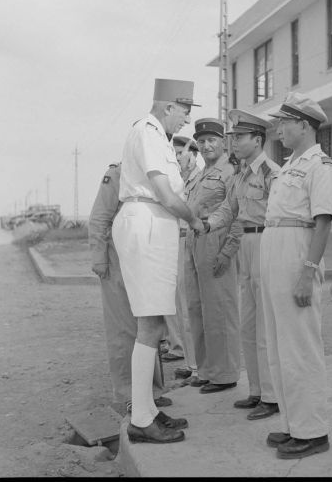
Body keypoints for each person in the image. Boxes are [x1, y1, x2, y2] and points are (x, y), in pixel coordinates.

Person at [111, 78, 204, 444]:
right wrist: (194, 219)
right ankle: (141, 418)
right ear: (168, 107)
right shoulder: (148, 131)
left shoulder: (157, 136)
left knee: (154, 325)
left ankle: (146, 408)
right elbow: (164, 192)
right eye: (184, 111)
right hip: (147, 223)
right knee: (150, 325)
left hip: (153, 225)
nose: (185, 120)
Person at [258, 92, 332, 460]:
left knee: (301, 346)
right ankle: (293, 423)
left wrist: (308, 272)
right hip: (275, 250)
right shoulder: (288, 165)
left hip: (297, 253)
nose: (279, 128)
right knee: (278, 344)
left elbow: (322, 223)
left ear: (304, 125)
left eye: (285, 122)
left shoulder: (319, 165)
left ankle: (313, 430)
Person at [201, 109, 281, 421]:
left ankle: (273, 396)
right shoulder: (239, 176)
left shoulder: (272, 173)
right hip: (245, 245)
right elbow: (227, 210)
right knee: (248, 323)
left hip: (265, 242)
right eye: (232, 138)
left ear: (258, 139)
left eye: (240, 137)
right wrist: (204, 224)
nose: (234, 142)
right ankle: (257, 391)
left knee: (264, 325)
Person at [88, 162, 171, 412]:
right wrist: (100, 259)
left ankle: (151, 391)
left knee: (146, 326)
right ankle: (127, 394)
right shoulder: (117, 174)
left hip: (144, 256)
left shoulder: (153, 173)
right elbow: (99, 219)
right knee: (123, 329)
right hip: (117, 259)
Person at [184, 118, 242, 393]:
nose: (206, 146)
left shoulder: (230, 172)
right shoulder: (199, 174)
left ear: (223, 143)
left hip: (216, 239)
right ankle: (206, 369)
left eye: (212, 141)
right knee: (198, 308)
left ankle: (225, 373)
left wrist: (227, 251)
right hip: (195, 240)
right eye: (202, 141)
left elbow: (238, 213)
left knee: (219, 308)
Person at [165, 135, 201, 384]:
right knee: (180, 306)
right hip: (175, 242)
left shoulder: (200, 178)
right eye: (174, 154)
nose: (177, 158)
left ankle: (199, 366)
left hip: (191, 241)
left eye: (181, 153)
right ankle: (190, 362)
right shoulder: (179, 180)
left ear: (193, 154)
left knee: (191, 305)